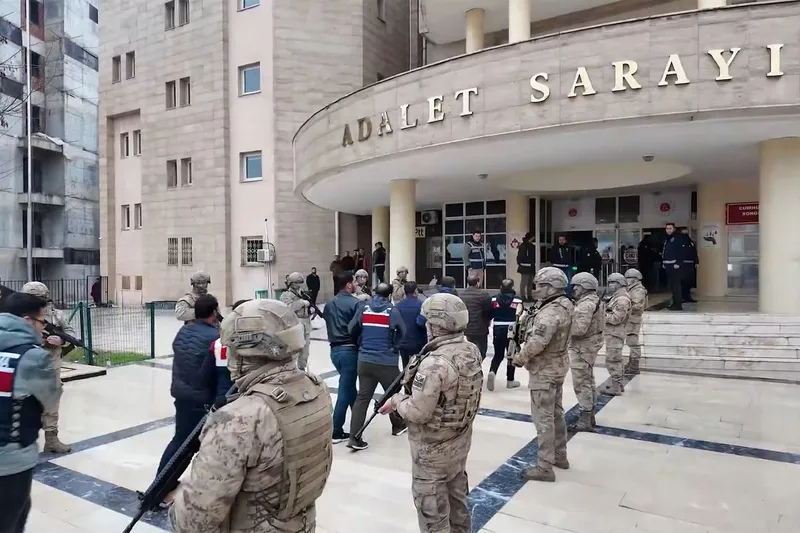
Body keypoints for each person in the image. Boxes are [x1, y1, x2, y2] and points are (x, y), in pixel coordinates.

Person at [169, 299, 333, 533]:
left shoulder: (237, 420)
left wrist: (179, 502)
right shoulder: (318, 389)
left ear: (244, 352)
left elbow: (193, 523)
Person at [378, 293, 483, 533]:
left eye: (427, 321)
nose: (425, 325)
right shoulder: (471, 350)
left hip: (432, 453)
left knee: (432, 514)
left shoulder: (434, 364)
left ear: (436, 325)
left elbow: (418, 413)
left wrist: (396, 400)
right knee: (458, 501)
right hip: (459, 442)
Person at [0, 292, 60, 532]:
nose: (43, 327)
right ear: (27, 320)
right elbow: (51, 398)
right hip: (11, 458)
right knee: (12, 519)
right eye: (42, 321)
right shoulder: (34, 357)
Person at [153, 294, 221, 505]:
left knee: (179, 440)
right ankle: (160, 491)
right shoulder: (215, 337)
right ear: (214, 312)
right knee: (192, 447)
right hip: (201, 399)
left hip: (181, 394)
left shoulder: (183, 331)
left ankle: (162, 484)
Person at [510, 267, 573, 482]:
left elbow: (537, 341)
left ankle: (545, 466)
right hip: (557, 366)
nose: (536, 289)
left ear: (551, 287)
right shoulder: (565, 304)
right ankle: (560, 455)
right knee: (556, 414)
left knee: (543, 419)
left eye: (540, 285)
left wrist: (520, 358)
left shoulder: (550, 311)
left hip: (544, 370)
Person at [347, 283, 407, 450]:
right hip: (386, 361)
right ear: (390, 296)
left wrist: (359, 343)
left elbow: (351, 328)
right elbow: (403, 332)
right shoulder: (392, 311)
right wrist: (395, 347)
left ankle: (354, 438)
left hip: (364, 360)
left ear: (375, 293)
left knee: (362, 398)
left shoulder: (364, 308)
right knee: (393, 395)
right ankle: (398, 426)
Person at [20, 281, 74, 453]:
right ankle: (23, 443)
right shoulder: (17, 315)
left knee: (51, 402)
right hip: (25, 364)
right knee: (23, 402)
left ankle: (51, 439)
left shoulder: (56, 315)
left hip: (51, 364)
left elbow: (70, 333)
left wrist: (61, 340)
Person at [323, 273, 360, 443]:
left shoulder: (329, 304)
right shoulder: (355, 303)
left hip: (335, 351)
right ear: (348, 284)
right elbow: (358, 327)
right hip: (350, 350)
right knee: (345, 390)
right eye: (354, 281)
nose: (356, 284)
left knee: (349, 387)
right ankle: (336, 430)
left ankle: (358, 423)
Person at [567, 272, 604, 432]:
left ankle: (585, 419)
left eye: (577, 286)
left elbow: (579, 329)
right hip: (588, 347)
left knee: (582, 383)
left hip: (582, 348)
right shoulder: (593, 301)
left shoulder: (585, 305)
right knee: (588, 381)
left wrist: (562, 326)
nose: (574, 289)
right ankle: (590, 415)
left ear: (585, 286)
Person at [206, 299, 250, 405]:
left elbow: (207, 376)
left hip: (224, 399)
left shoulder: (218, 343)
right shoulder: (262, 344)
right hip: (249, 400)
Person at [488, 279, 522, 391]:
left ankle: (492, 372)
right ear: (512, 287)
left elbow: (490, 313)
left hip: (498, 328)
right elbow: (520, 314)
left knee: (498, 355)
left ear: (501, 287)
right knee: (511, 356)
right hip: (512, 330)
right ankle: (510, 381)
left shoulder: (493, 299)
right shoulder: (517, 300)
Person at [603, 272, 632, 396]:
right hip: (612, 333)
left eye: (612, 282)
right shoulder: (616, 297)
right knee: (615, 359)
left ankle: (616, 386)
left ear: (620, 284)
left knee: (613, 360)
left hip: (615, 333)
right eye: (609, 282)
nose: (610, 285)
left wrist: (601, 315)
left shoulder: (622, 299)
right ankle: (618, 383)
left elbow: (616, 319)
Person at [280, 272, 312, 371]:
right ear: (291, 283)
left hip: (306, 323)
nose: (299, 285)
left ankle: (302, 368)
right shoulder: (286, 295)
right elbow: (288, 308)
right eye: (297, 283)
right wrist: (301, 303)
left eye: (300, 283)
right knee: (295, 350)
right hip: (295, 324)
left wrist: (310, 310)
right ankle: (292, 370)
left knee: (305, 350)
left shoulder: (302, 293)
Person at [396, 282, 426, 369]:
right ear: (416, 291)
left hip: (402, 342)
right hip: (418, 342)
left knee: (405, 367)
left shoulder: (398, 306)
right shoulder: (421, 305)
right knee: (417, 367)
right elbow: (421, 323)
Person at [460, 274, 492, 359]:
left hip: (467, 327)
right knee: (482, 351)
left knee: (471, 348)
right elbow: (489, 311)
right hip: (481, 328)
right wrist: (487, 322)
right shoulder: (484, 295)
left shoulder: (462, 295)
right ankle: (477, 364)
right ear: (478, 283)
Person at [624, 268, 648, 374]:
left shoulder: (638, 290)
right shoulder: (631, 289)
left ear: (635, 279)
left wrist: (624, 305)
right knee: (631, 342)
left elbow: (636, 305)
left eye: (629, 278)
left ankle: (634, 366)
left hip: (634, 319)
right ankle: (631, 364)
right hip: (629, 318)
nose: (627, 280)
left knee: (633, 343)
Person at [662, 222, 686, 310]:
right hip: (668, 264)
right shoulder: (667, 239)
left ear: (674, 229)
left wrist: (678, 263)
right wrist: (664, 262)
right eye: (667, 228)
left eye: (670, 228)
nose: (668, 230)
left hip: (674, 265)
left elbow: (681, 251)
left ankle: (678, 304)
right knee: (672, 286)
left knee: (676, 285)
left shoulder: (677, 238)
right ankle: (674, 303)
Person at [517, 232, 535, 301]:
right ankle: (523, 296)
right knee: (524, 283)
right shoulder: (523, 246)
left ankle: (529, 296)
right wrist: (521, 263)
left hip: (531, 267)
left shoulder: (532, 246)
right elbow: (519, 257)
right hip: (524, 267)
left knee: (530, 283)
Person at [681, 228, 698, 303]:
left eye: (686, 233)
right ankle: (682, 297)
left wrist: (696, 261)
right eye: (683, 233)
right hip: (683, 264)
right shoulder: (679, 242)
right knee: (683, 282)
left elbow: (694, 251)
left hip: (691, 264)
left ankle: (687, 297)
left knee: (689, 282)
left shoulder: (691, 242)